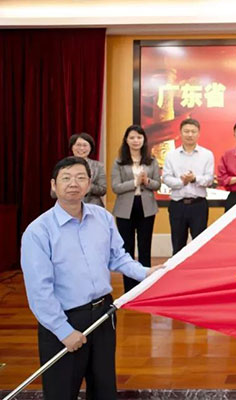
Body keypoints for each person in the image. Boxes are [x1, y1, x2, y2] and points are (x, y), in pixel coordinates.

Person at [21, 156, 164, 400]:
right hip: (65, 319)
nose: (73, 184)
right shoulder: (38, 231)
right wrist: (63, 331)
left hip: (103, 315)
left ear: (89, 184)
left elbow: (117, 257)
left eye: (80, 178)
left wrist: (146, 272)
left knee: (103, 389)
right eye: (66, 178)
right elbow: (39, 291)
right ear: (53, 185)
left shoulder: (102, 217)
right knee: (61, 392)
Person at [111, 125, 161, 292]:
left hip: (146, 208)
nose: (135, 140)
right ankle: (130, 289)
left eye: (139, 137)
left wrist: (147, 181)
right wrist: (135, 182)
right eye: (132, 137)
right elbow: (116, 187)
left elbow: (157, 184)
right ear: (126, 140)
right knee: (127, 250)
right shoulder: (119, 162)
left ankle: (145, 288)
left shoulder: (151, 160)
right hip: (125, 209)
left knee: (145, 248)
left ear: (144, 140)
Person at [162, 118, 214, 255]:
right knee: (178, 246)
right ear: (180, 133)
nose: (190, 134)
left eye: (193, 131)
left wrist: (195, 179)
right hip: (178, 205)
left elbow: (209, 179)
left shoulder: (207, 155)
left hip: (198, 205)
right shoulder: (171, 155)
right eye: (186, 131)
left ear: (198, 134)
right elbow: (166, 178)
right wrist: (182, 182)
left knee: (199, 247)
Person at [52, 133, 107, 206]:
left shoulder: (98, 166)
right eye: (78, 145)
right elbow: (53, 193)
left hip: (93, 206)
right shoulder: (62, 165)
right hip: (67, 206)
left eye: (85, 145)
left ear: (90, 148)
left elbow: (103, 190)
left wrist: (85, 185)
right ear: (72, 147)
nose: (81, 148)